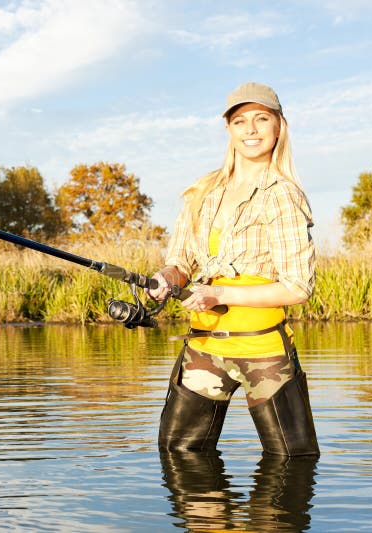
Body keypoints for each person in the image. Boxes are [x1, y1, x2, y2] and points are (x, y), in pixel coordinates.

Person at [148, 82, 319, 456]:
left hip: (263, 348)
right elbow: (179, 262)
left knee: (292, 463)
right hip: (203, 347)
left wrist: (219, 293)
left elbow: (297, 288)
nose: (251, 129)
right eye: (240, 121)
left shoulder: (284, 195)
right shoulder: (202, 192)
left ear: (279, 127)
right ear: (229, 129)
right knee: (178, 457)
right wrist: (166, 279)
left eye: (262, 119)